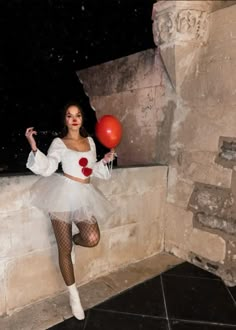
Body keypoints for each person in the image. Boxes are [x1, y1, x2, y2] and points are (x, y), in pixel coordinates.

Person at [25, 102, 115, 320]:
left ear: (82, 119)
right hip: (63, 194)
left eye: (78, 115)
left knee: (92, 237)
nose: (74, 119)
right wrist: (34, 147)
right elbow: (48, 168)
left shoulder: (91, 142)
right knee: (62, 249)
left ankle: (74, 242)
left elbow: (90, 168)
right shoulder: (59, 142)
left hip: (84, 193)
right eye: (69, 115)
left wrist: (104, 161)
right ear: (65, 120)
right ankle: (74, 296)